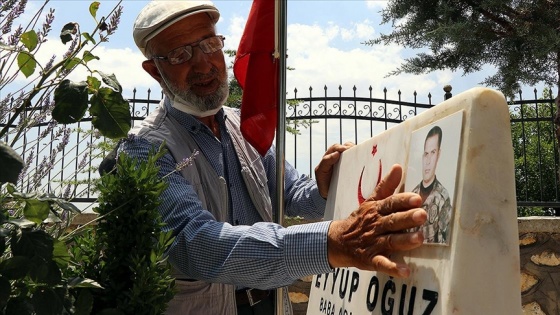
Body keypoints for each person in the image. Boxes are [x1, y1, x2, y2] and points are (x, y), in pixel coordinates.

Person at [119, 1, 427, 314]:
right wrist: (332, 243)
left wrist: (324, 187)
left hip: (271, 303)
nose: (203, 64)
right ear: (155, 71)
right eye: (180, 54)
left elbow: (291, 194)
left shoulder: (245, 125)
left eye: (209, 44)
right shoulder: (145, 148)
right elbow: (196, 243)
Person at [412, 126, 452, 244]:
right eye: (426, 154)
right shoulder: (412, 194)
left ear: (438, 155)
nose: (428, 161)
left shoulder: (443, 199)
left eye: (433, 153)